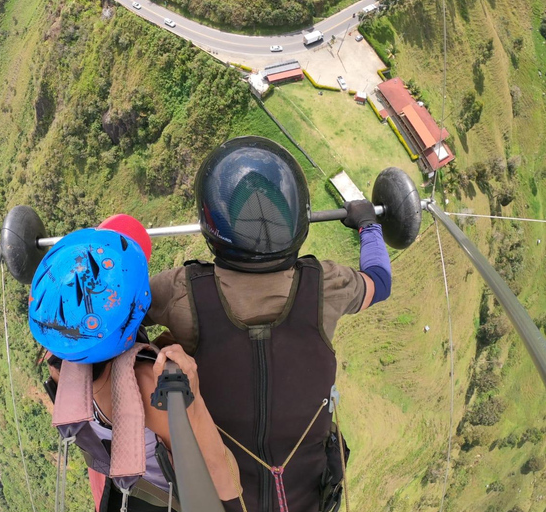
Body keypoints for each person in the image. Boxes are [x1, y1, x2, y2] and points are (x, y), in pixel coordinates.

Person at [144, 136, 392, 512]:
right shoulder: (325, 286)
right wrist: (368, 225)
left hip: (217, 497)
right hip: (306, 498)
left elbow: (122, 314)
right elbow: (380, 281)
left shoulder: (179, 292)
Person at [29, 217, 240, 512]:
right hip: (165, 493)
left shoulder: (58, 361)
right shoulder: (150, 386)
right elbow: (221, 476)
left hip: (115, 475)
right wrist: (193, 400)